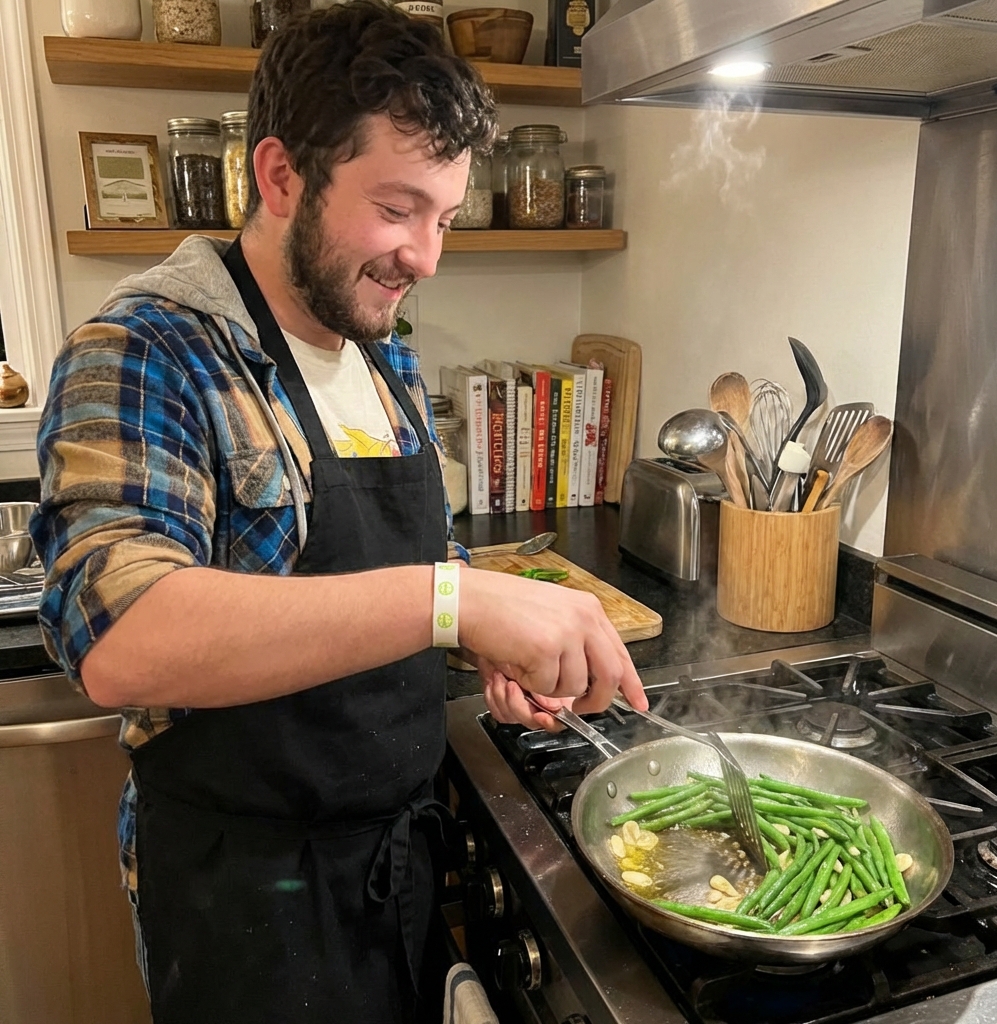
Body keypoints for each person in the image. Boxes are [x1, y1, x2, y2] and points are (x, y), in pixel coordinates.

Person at [29, 4, 647, 1022]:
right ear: (280, 176)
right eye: (399, 208)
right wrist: (451, 602)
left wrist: (484, 646)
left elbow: (398, 563)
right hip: (244, 895)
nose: (427, 255)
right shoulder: (147, 347)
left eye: (443, 217)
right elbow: (121, 635)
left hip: (396, 862)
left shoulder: (379, 346)